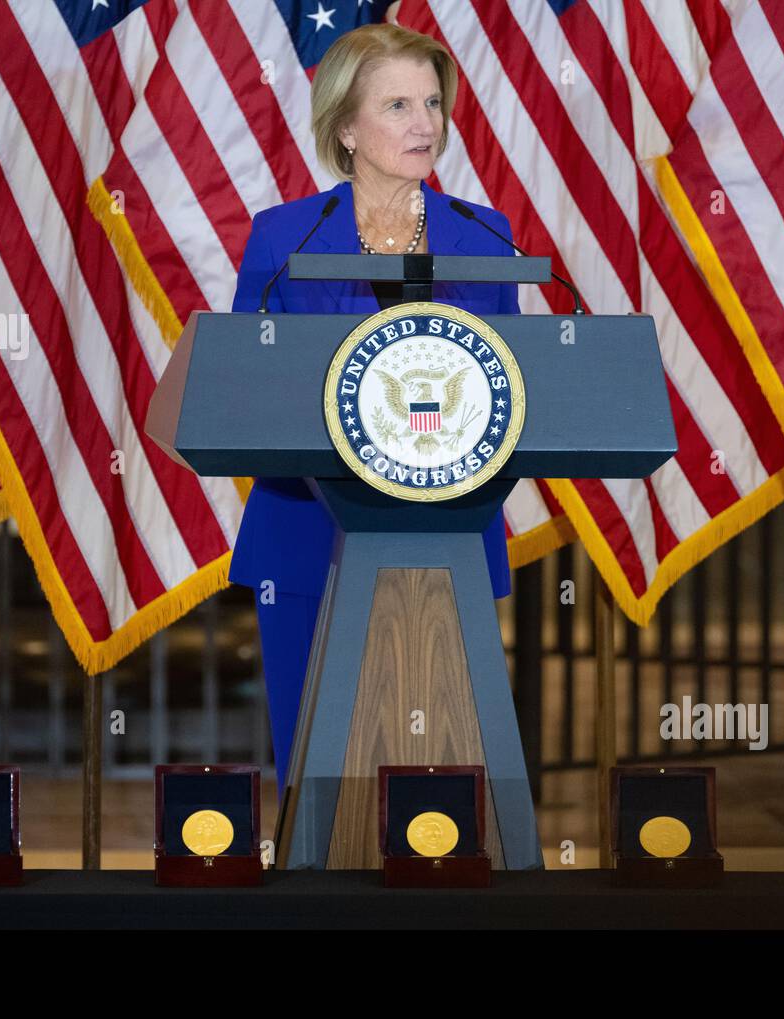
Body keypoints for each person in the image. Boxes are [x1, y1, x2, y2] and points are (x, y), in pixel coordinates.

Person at [230, 23, 520, 795]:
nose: (424, 123)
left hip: (448, 542)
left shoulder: (487, 240)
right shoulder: (284, 238)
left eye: (431, 102)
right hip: (305, 537)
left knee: (436, 802)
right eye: (397, 105)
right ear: (347, 127)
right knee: (317, 787)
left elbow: (522, 400)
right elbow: (247, 392)